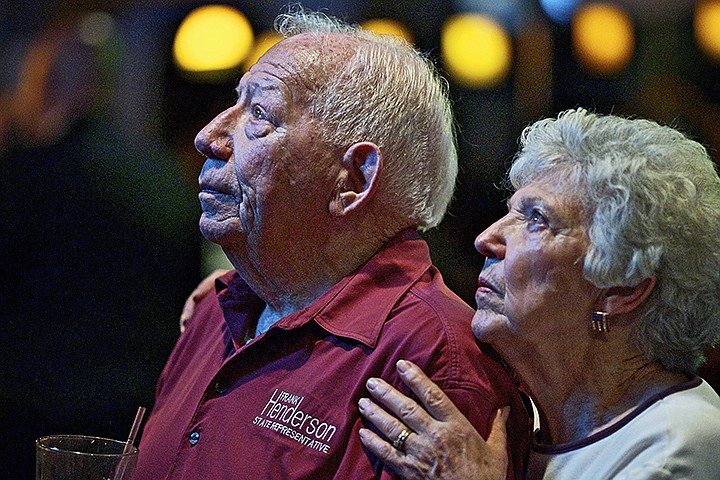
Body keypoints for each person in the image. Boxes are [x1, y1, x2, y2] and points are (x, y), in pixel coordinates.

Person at [134, 8, 530, 480]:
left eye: (259, 115)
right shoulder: (215, 308)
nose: (209, 136)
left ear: (353, 180)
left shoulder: (433, 363)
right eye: (234, 105)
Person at [358, 108, 720, 479]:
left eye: (536, 219)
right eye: (512, 211)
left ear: (622, 288)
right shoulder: (525, 421)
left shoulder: (679, 446)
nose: (486, 239)